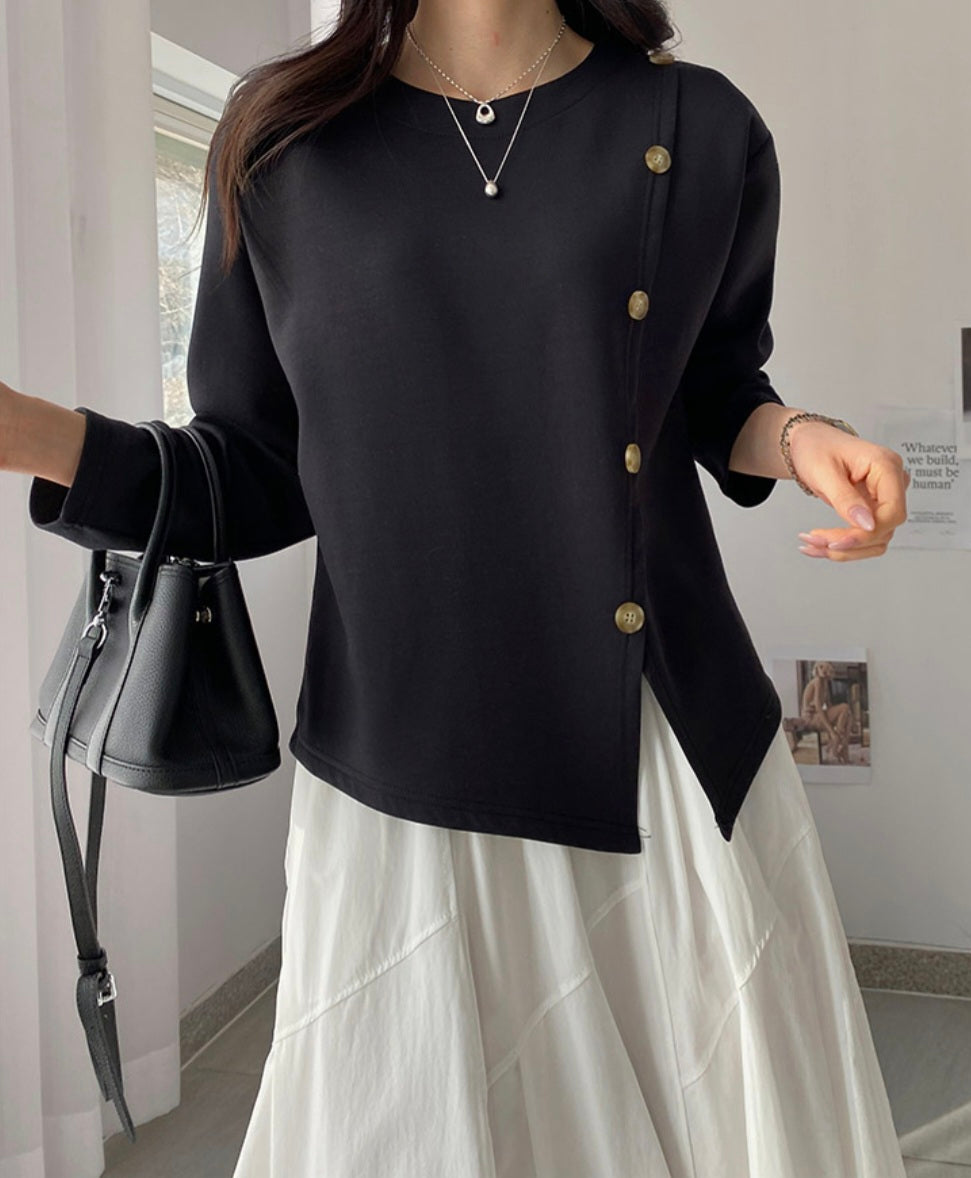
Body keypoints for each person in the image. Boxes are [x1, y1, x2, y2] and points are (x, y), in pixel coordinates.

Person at [2, 0, 912, 1173]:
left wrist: (796, 439)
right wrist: (35, 433)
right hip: (400, 761)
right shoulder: (279, 142)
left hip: (653, 748)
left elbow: (713, 387)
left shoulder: (698, 123)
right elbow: (257, 469)